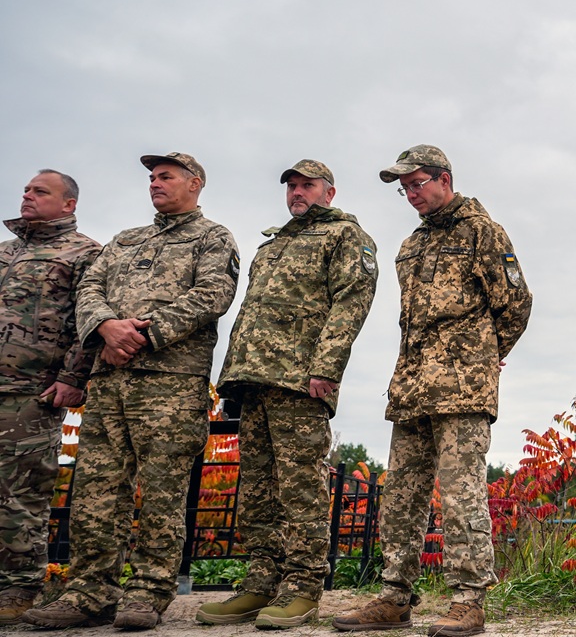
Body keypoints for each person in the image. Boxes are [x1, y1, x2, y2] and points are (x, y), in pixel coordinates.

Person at [24, 152, 239, 631]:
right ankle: (88, 592)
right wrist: (105, 327)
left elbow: (211, 296)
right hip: (107, 383)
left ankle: (147, 594)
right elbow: (89, 289)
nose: (155, 184)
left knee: (162, 492)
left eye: (166, 177)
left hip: (169, 384)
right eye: (152, 178)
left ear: (195, 184)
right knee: (96, 491)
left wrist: (139, 337)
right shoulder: (125, 240)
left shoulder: (213, 237)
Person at [332, 146, 531, 637]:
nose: (411, 194)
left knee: (461, 494)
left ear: (445, 179)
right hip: (412, 387)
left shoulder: (482, 231)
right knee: (400, 494)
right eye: (405, 189)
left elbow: (516, 303)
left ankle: (468, 601)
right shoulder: (411, 244)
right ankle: (395, 596)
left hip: (462, 388)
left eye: (418, 184)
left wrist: (483, 354)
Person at [197, 160, 378, 629]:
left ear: (329, 192)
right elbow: (251, 315)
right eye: (292, 186)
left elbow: (351, 303)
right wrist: (230, 377)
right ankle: (260, 583)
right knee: (257, 489)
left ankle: (302, 588)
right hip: (253, 380)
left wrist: (326, 369)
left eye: (307, 185)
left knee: (300, 488)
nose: (297, 193)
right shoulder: (273, 243)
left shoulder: (344, 237)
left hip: (299, 380)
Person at [0, 171, 102, 624]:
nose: (28, 196)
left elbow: (88, 321)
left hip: (31, 390)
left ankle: (20, 589)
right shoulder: (6, 252)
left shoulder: (84, 252)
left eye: (40, 191)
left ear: (68, 205)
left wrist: (72, 376)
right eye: (26, 189)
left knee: (19, 492)